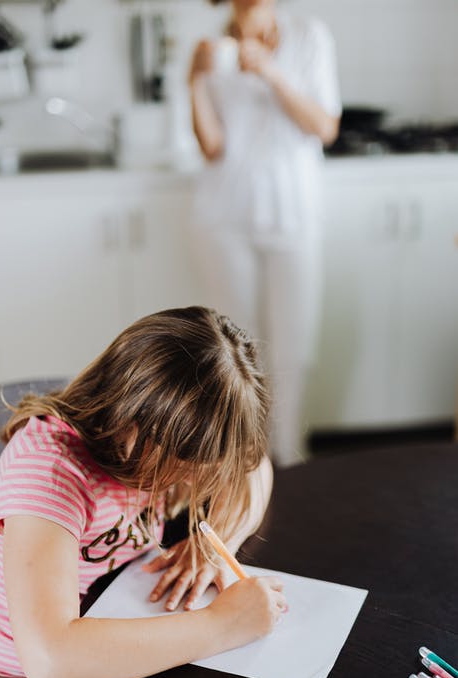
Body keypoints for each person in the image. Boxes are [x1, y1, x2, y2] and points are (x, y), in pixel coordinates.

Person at [0, 306, 287, 678]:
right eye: (185, 466)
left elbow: (254, 471)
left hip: (107, 652)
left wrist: (213, 546)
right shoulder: (50, 472)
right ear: (133, 423)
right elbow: (50, 659)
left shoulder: (149, 448)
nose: (192, 483)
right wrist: (223, 623)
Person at [188, 0, 342, 466]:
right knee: (236, 348)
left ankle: (289, 453)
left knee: (293, 346)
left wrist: (271, 73)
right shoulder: (210, 46)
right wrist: (194, 79)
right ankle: (246, 460)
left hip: (294, 213)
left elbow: (325, 127)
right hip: (226, 215)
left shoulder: (310, 37)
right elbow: (211, 146)